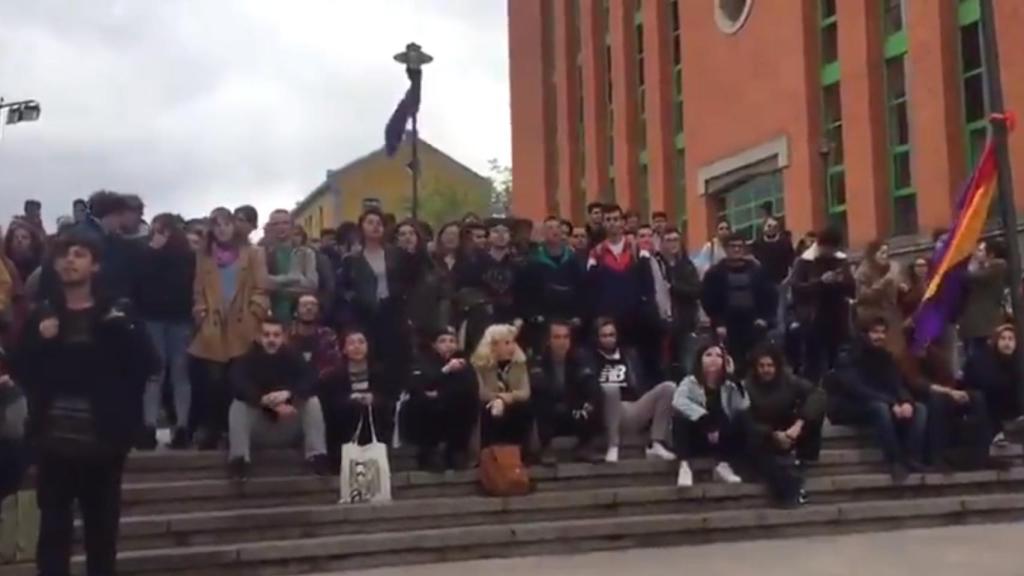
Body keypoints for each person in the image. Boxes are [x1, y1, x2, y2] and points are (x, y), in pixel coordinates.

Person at [12, 232, 153, 576]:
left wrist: (120, 334)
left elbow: (148, 364)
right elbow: (23, 371)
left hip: (103, 443)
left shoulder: (118, 311)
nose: (70, 260)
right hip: (54, 443)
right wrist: (42, 343)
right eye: (63, 255)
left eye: (79, 254)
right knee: (53, 535)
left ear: (95, 264)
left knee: (101, 536)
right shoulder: (43, 313)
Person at [189, 207, 269, 450]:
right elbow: (198, 289)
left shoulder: (253, 253)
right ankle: (212, 429)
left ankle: (235, 432)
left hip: (242, 323)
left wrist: (255, 311)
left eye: (226, 224)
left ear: (234, 227)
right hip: (214, 324)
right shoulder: (205, 257)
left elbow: (261, 287)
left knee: (238, 380)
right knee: (212, 381)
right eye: (217, 225)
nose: (222, 229)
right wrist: (200, 311)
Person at [227, 315, 329, 480]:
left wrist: (290, 395)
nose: (271, 340)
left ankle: (317, 457)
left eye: (276, 335)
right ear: (258, 337)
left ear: (284, 337)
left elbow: (311, 378)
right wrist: (263, 401)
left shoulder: (293, 357)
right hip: (258, 429)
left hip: (288, 426)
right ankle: (239, 460)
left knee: (312, 402)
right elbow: (237, 383)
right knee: (238, 405)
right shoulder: (246, 359)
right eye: (266, 335)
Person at [828, 318, 926, 481]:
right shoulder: (848, 354)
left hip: (880, 402)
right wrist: (891, 403)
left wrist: (906, 401)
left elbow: (897, 384)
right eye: (875, 332)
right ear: (865, 334)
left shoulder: (885, 357)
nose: (879, 336)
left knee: (920, 409)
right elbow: (856, 388)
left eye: (882, 332)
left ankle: (911, 456)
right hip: (849, 406)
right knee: (879, 408)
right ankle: (894, 460)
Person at [135, 213, 196, 450]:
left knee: (179, 373)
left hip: (178, 319)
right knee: (155, 373)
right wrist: (151, 251)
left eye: (163, 230)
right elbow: (138, 281)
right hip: (153, 318)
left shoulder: (187, 257)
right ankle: (149, 426)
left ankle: (181, 427)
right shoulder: (146, 254)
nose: (159, 235)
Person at [336, 209, 415, 387]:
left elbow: (409, 280)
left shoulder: (396, 254)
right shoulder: (352, 259)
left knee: (396, 358)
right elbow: (342, 288)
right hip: (366, 313)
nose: (375, 227)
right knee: (372, 359)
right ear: (361, 228)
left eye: (379, 223)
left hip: (393, 311)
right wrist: (354, 299)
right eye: (370, 223)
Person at [743, 344, 825, 507]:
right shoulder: (747, 386)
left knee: (814, 411)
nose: (766, 370)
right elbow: (746, 420)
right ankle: (790, 489)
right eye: (762, 366)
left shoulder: (789, 380)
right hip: (763, 435)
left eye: (770, 365)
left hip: (790, 429)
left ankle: (802, 459)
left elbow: (818, 394)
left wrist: (798, 425)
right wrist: (773, 434)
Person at [588, 317, 676, 463]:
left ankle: (657, 443)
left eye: (612, 335)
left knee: (669, 387)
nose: (609, 339)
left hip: (632, 407)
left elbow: (639, 382)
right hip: (605, 407)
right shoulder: (590, 357)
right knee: (611, 389)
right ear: (597, 338)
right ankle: (613, 445)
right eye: (604, 336)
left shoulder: (629, 355)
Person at [672, 343, 747, 487]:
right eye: (708, 355)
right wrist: (704, 418)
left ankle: (723, 466)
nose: (714, 359)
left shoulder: (729, 385)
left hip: (721, 436)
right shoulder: (690, 382)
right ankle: (684, 466)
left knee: (740, 420)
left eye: (719, 356)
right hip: (696, 436)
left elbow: (743, 406)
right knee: (680, 418)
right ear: (700, 359)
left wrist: (734, 378)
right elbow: (678, 401)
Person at [319, 329, 396, 466]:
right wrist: (351, 399)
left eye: (361, 342)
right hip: (346, 423)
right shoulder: (334, 375)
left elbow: (388, 397)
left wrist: (373, 399)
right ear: (344, 349)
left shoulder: (379, 372)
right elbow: (330, 404)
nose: (357, 347)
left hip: (374, 419)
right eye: (351, 343)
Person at [529, 320, 602, 464]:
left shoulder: (580, 358)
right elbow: (540, 386)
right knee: (540, 398)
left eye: (565, 337)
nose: (562, 341)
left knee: (595, 395)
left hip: (574, 411)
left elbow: (590, 384)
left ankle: (585, 445)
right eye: (557, 337)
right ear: (548, 340)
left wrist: (586, 403)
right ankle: (545, 447)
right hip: (551, 413)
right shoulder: (539, 360)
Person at [406, 327, 479, 471]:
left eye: (452, 341)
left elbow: (469, 388)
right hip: (428, 412)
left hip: (453, 408)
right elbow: (419, 386)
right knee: (426, 404)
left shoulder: (463, 363)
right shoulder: (424, 361)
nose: (448, 345)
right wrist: (445, 371)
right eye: (443, 341)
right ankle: (429, 453)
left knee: (466, 404)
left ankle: (456, 451)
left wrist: (441, 394)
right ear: (434, 345)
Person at [701, 232, 774, 373]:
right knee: (730, 365)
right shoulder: (715, 273)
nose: (736, 249)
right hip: (727, 327)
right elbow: (708, 299)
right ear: (725, 249)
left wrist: (765, 318)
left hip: (754, 325)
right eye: (732, 246)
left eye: (740, 246)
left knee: (755, 363)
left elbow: (769, 295)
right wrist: (718, 322)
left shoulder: (757, 270)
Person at [790, 227, 854, 381]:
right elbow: (796, 288)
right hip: (813, 318)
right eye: (827, 248)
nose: (829, 252)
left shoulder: (841, 261)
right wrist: (820, 282)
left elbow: (851, 288)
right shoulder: (804, 261)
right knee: (813, 362)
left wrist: (840, 281)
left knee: (837, 360)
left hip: (837, 318)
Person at [454, 218, 524, 353]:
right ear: (488, 236)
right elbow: (465, 291)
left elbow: (523, 294)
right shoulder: (474, 263)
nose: (501, 235)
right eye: (496, 231)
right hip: (481, 322)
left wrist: (519, 317)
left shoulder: (518, 265)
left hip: (510, 321)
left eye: (505, 232)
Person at [521, 217, 584, 352]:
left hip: (569, 318)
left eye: (557, 228)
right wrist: (533, 314)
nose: (554, 231)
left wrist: (578, 314)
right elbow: (526, 292)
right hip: (544, 319)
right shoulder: (533, 260)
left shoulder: (573, 259)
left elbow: (582, 289)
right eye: (550, 228)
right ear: (543, 233)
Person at [586, 204, 643, 347]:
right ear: (603, 223)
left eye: (616, 219)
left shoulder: (636, 248)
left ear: (623, 222)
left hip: (635, 319)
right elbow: (591, 288)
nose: (612, 223)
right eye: (609, 219)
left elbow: (648, 283)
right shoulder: (596, 253)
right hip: (608, 321)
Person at [473, 323, 533, 454]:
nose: (512, 347)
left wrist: (504, 398)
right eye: (506, 343)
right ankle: (490, 455)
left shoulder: (520, 363)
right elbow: (482, 393)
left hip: (513, 405)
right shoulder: (480, 365)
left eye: (512, 342)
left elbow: (525, 392)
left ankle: (521, 454)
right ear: (493, 345)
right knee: (489, 411)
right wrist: (497, 400)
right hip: (489, 406)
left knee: (524, 407)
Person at [963, 324, 1022, 446]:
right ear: (996, 341)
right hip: (980, 401)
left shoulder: (1017, 360)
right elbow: (987, 384)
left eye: (1011, 339)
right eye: (1003, 339)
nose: (1007, 343)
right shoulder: (984, 359)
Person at [660, 227, 701, 380]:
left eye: (675, 240)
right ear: (662, 243)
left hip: (685, 324)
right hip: (663, 326)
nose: (672, 244)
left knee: (688, 368)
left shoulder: (687, 265)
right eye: (668, 240)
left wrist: (673, 287)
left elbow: (696, 290)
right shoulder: (658, 265)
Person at [958, 239, 1009, 361]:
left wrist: (961, 269)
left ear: (990, 254)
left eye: (981, 251)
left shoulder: (998, 266)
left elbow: (972, 277)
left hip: (983, 325)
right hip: (976, 325)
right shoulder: (985, 268)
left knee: (982, 358)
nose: (977, 253)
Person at [265, 211, 319, 323]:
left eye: (285, 223)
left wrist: (276, 286)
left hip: (301, 319)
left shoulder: (306, 253)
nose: (281, 227)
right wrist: (295, 278)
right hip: (271, 320)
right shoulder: (262, 254)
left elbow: (312, 285)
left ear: (292, 226)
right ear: (269, 227)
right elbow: (262, 283)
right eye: (276, 224)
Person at [855, 241, 905, 358]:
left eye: (887, 253)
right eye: (882, 253)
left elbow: (896, 288)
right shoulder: (863, 271)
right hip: (872, 318)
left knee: (896, 352)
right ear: (873, 254)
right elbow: (862, 296)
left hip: (891, 316)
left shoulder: (890, 268)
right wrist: (884, 282)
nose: (885, 256)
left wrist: (901, 286)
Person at [288, 294, 342, 384]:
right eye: (304, 305)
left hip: (323, 387)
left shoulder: (328, 336)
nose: (309, 308)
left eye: (313, 305)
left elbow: (335, 366)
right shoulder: (286, 336)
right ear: (295, 311)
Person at [4, 219, 44, 284]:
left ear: (33, 242)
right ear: (10, 241)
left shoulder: (40, 267)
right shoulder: (4, 265)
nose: (19, 240)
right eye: (16, 237)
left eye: (24, 237)